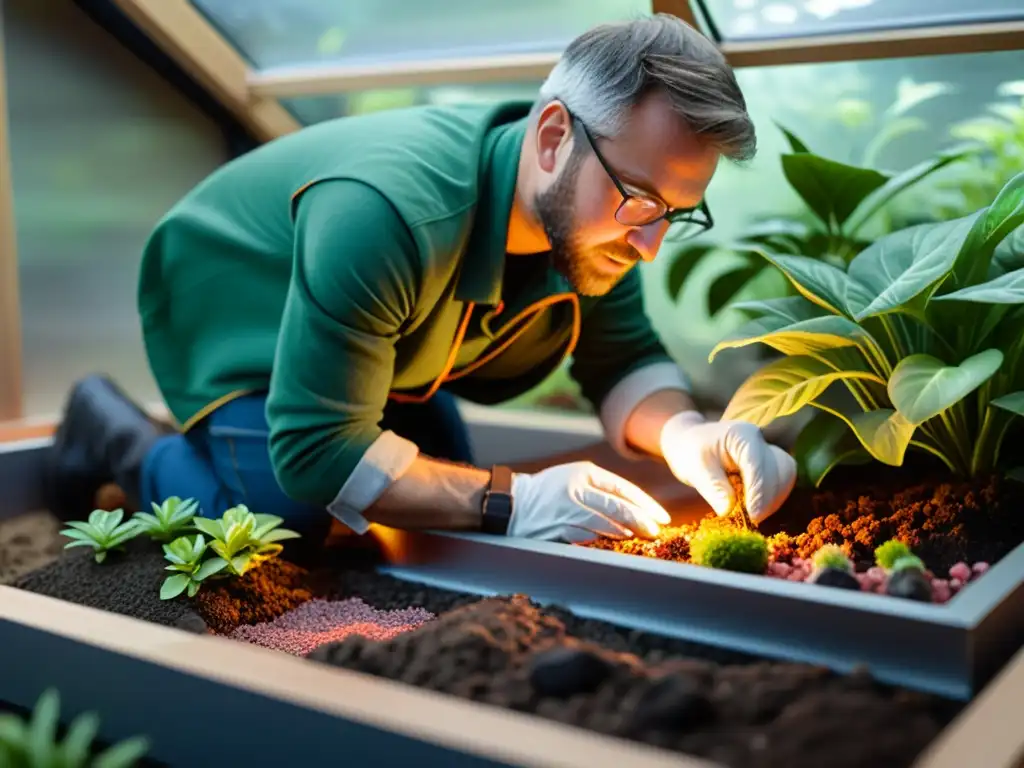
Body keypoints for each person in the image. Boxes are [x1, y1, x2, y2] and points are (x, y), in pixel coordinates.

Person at [46, 14, 796, 546]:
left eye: (676, 213)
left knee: (440, 488)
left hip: (378, 340)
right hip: (236, 309)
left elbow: (623, 359)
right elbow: (317, 452)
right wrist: (513, 500)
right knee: (293, 517)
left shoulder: (601, 214)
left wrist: (688, 432)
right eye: (640, 199)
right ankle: (122, 438)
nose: (652, 242)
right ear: (553, 136)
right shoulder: (389, 214)